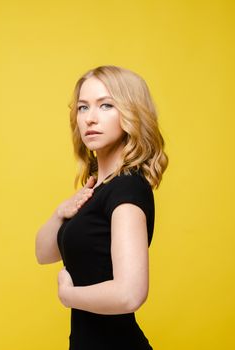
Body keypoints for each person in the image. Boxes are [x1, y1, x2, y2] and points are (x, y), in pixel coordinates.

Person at [35, 65, 168, 349]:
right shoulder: (98, 190)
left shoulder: (127, 189)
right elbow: (44, 253)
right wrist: (61, 212)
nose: (90, 119)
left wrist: (68, 296)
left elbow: (130, 294)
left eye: (106, 105)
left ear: (131, 113)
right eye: (83, 108)